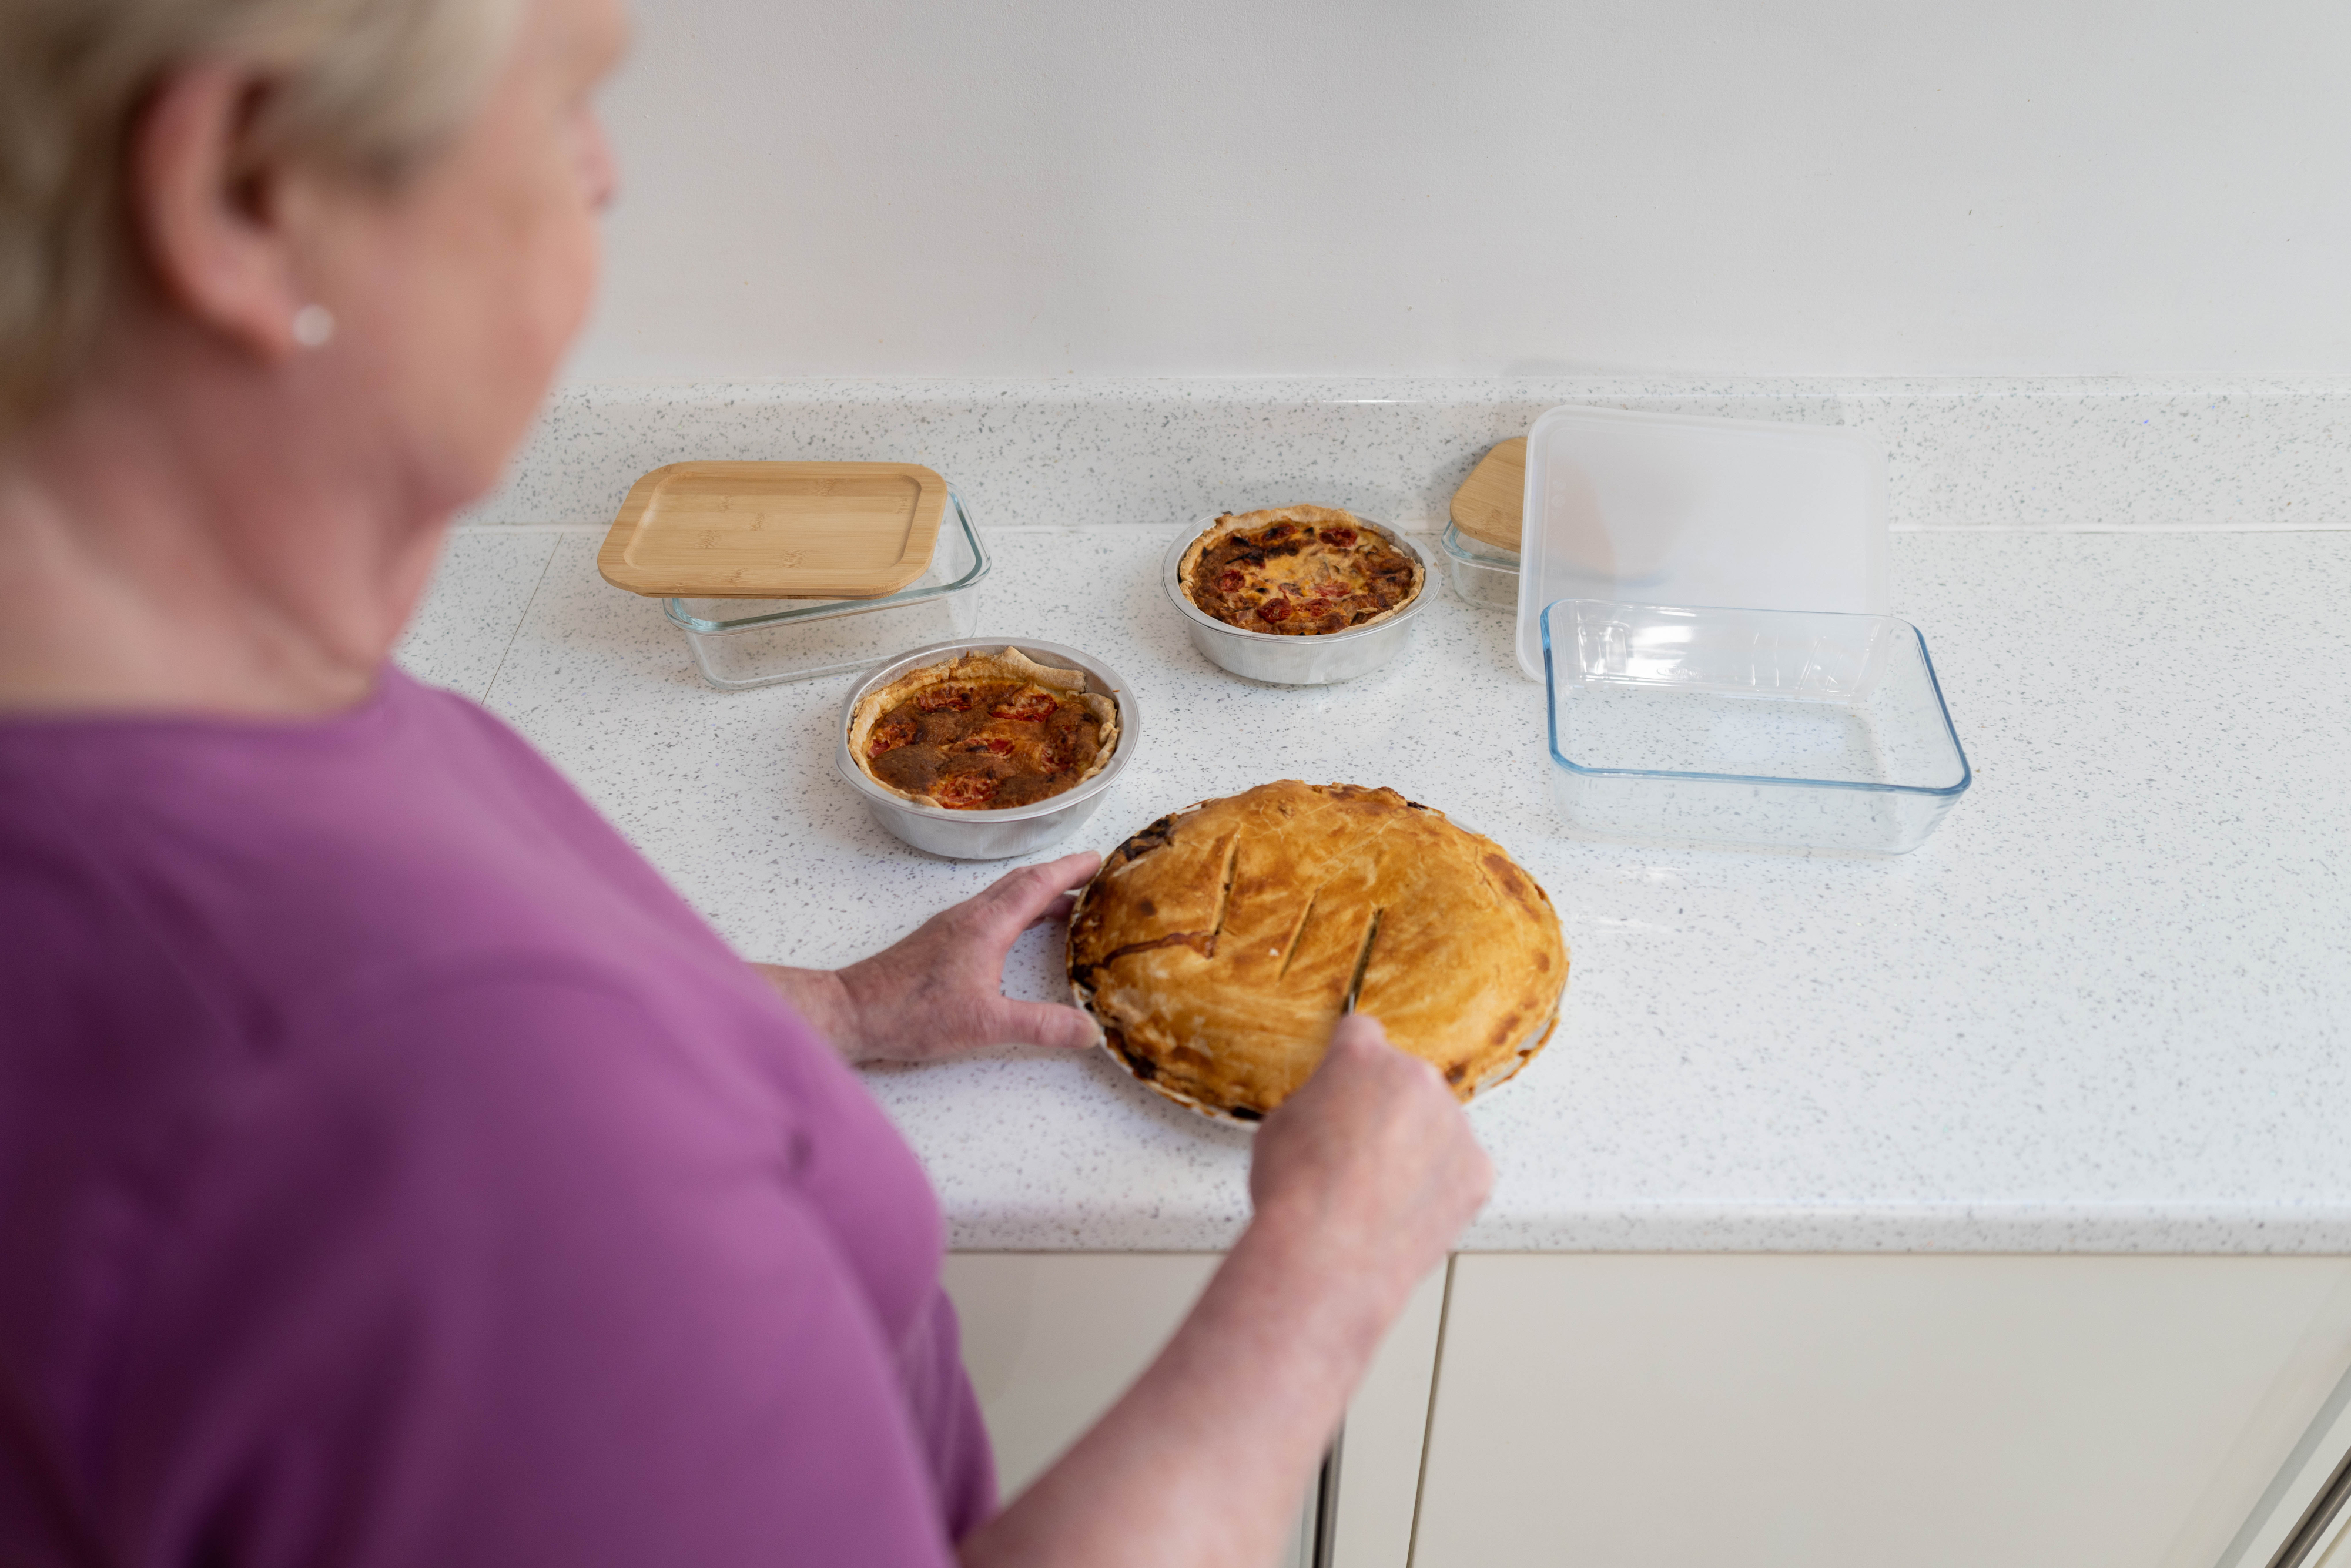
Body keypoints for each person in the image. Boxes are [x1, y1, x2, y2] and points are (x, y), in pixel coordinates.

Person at [0, 0, 1493, 1563]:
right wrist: (1327, 1270)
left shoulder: (216, 717)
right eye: (565, 103)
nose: (603, 179)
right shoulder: (447, 1083)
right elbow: (496, 1103)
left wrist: (832, 1013)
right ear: (243, 195)